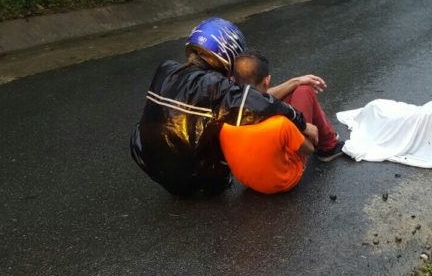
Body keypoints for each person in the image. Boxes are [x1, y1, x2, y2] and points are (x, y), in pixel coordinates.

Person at [130, 17, 319, 197]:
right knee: (237, 123)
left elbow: (249, 99)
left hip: (155, 168)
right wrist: (300, 122)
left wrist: (293, 82)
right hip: (199, 182)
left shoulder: (166, 68)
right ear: (227, 51)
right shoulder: (216, 85)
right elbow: (260, 104)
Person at [219, 51, 345, 194]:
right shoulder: (281, 124)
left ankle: (329, 140)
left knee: (293, 91)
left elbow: (259, 98)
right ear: (267, 81)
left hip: (248, 181)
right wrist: (301, 127)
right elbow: (308, 149)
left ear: (232, 80)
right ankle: (329, 145)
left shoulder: (223, 112)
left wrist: (295, 81)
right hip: (284, 181)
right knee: (304, 91)